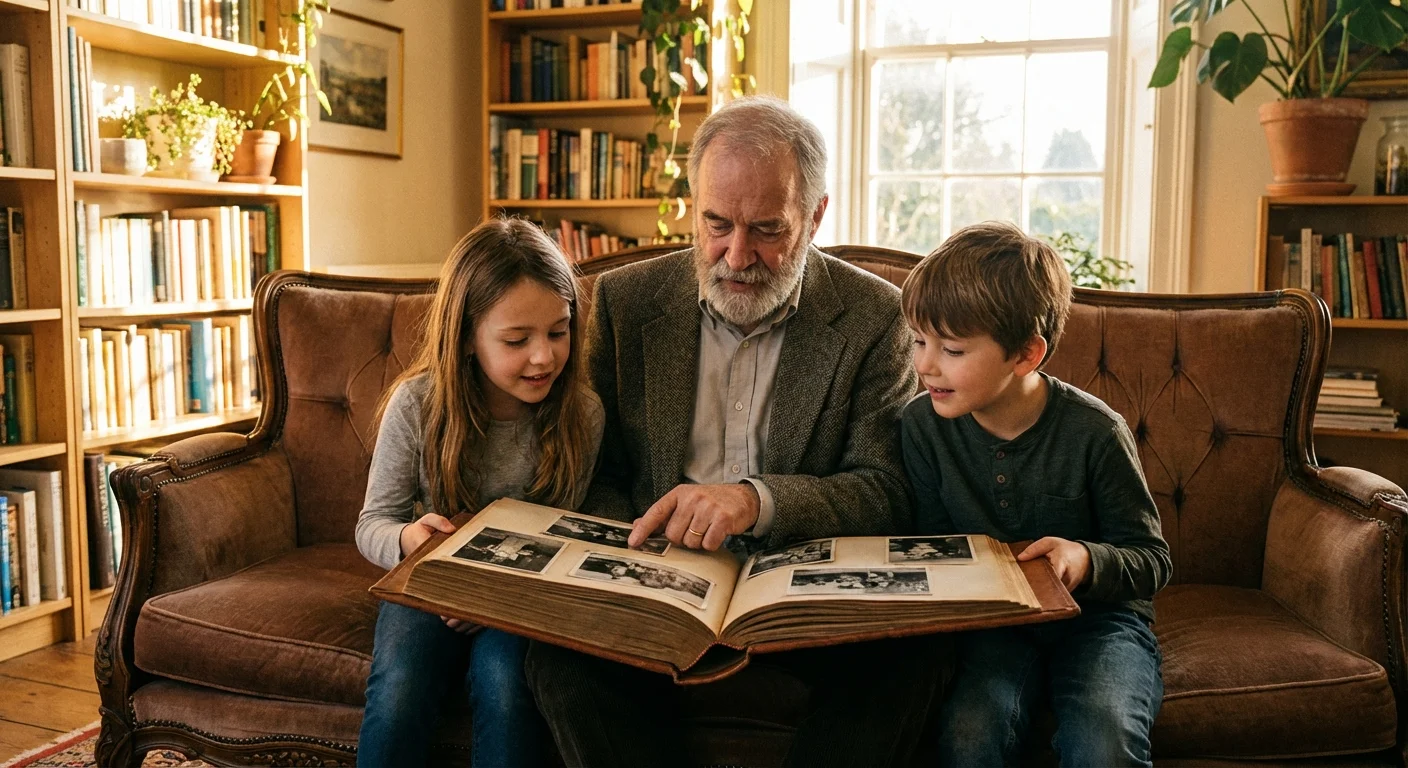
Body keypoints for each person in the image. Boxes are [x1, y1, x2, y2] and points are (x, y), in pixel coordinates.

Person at [525, 95, 949, 768]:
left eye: (767, 230)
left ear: (815, 217)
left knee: (908, 661)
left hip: (802, 597)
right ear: (693, 207)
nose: (736, 254)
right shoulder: (627, 304)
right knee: (558, 661)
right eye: (716, 224)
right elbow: (595, 471)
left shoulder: (876, 316)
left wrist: (755, 500)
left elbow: (885, 489)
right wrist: (635, 555)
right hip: (657, 584)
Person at [899, 221, 1172, 767]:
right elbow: (929, 544)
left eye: (951, 349)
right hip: (994, 628)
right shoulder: (922, 426)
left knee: (1105, 737)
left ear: (1026, 354)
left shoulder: (1096, 432)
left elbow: (1153, 561)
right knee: (971, 734)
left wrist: (1084, 559)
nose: (925, 365)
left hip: (1100, 622)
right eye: (918, 341)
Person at [354, 218, 604, 768]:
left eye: (558, 332)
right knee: (399, 686)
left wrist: (495, 596)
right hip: (429, 588)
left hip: (521, 600)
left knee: (508, 685)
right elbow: (373, 523)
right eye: (517, 340)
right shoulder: (416, 405)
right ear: (467, 336)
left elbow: (570, 538)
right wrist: (409, 538)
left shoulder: (581, 415)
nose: (544, 357)